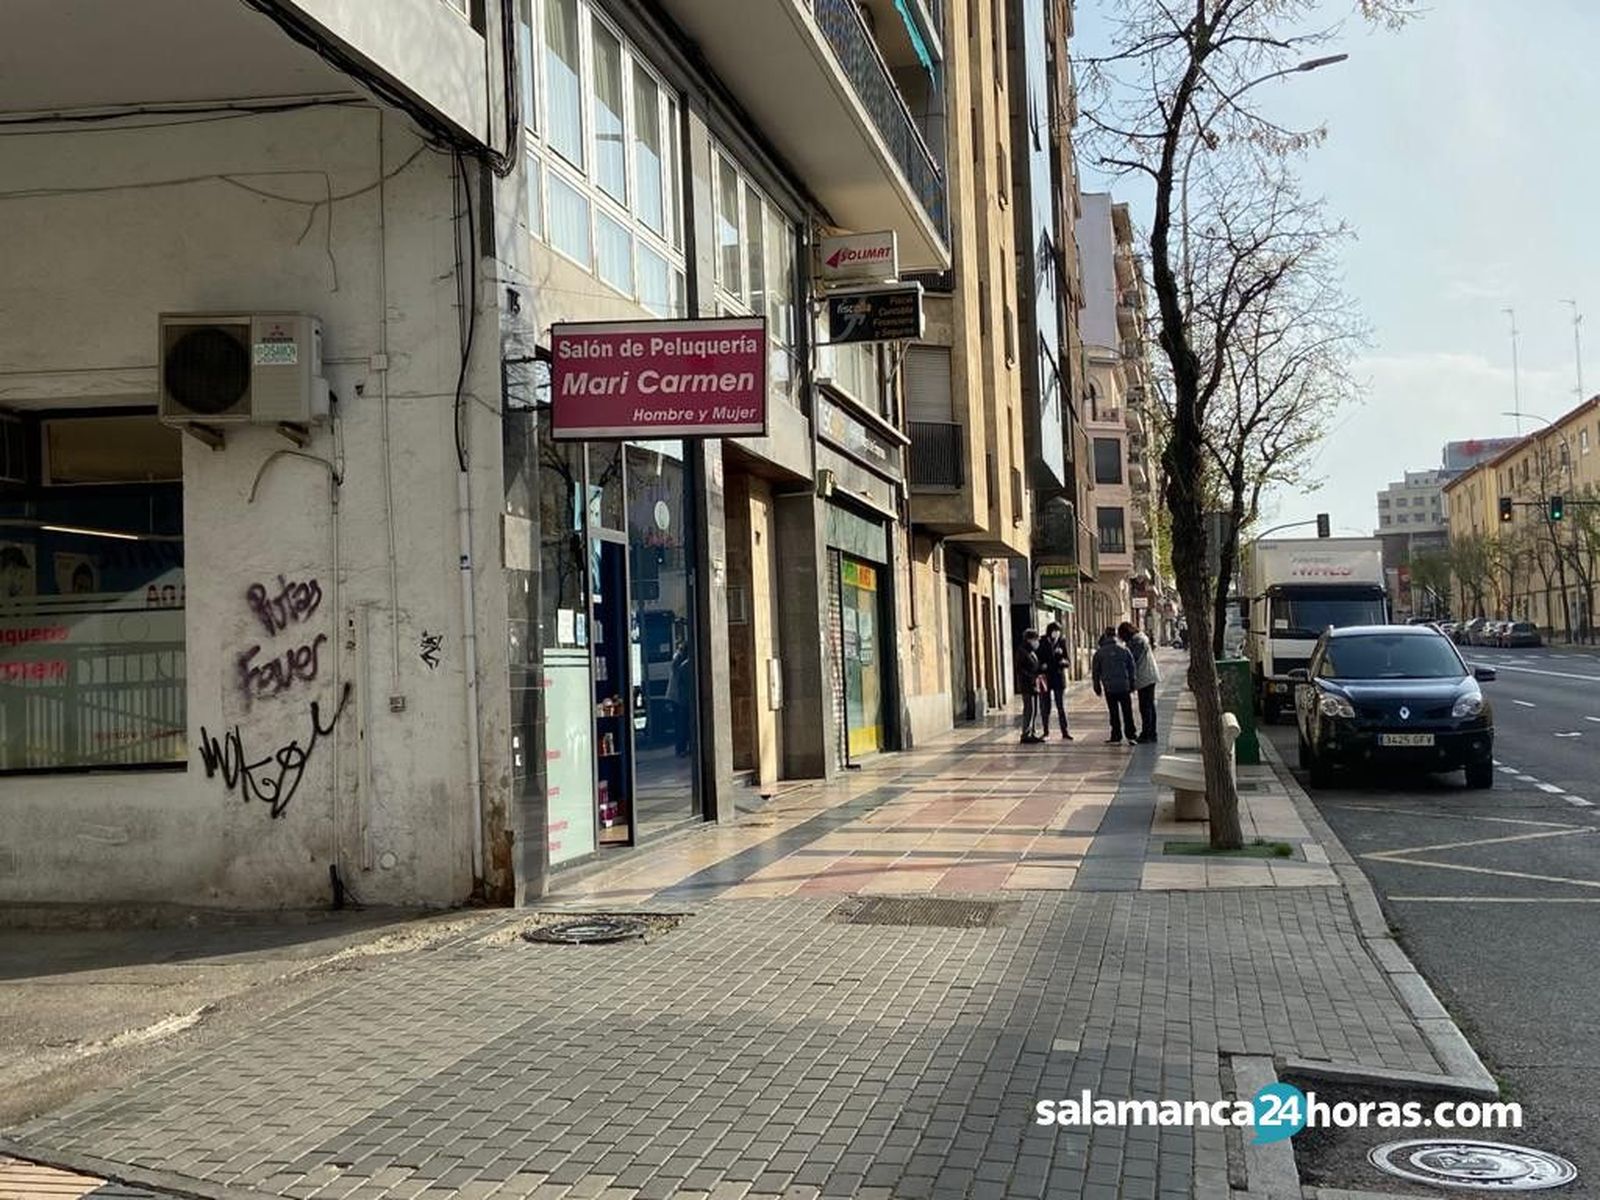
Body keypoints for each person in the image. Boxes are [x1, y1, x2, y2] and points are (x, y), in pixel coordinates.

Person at [1091, 626, 1137, 746]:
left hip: (1109, 687)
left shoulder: (1099, 653)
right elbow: (1132, 667)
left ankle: (1116, 735)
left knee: (1114, 712)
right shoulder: (1124, 649)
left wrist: (1097, 687)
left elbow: (1096, 671)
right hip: (1124, 686)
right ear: (1116, 635)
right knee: (1127, 712)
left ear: (1105, 635)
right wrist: (1132, 683)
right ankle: (1131, 735)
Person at [1120, 619, 1160, 744]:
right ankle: (1151, 733)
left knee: (1146, 706)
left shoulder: (1137, 641)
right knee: (1150, 706)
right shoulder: (1141, 638)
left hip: (1145, 677)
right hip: (1149, 675)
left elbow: (1132, 660)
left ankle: (1146, 734)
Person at [1040, 622, 1073, 740]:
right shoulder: (1042, 641)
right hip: (1046, 677)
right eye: (1054, 631)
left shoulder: (1062, 642)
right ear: (1050, 631)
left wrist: (1064, 662)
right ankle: (1046, 731)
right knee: (1045, 706)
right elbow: (1038, 658)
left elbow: (1068, 660)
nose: (1056, 633)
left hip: (1059, 678)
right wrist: (1042, 666)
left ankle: (1065, 731)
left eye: (1058, 631)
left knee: (1061, 706)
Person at [1015, 629, 1046, 744]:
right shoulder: (1022, 651)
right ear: (1029, 639)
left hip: (1034, 684)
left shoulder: (1031, 651)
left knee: (1034, 710)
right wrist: (1032, 676)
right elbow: (1020, 669)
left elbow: (1034, 666)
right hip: (1026, 685)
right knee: (1029, 709)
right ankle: (1025, 733)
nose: (1037, 642)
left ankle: (1032, 732)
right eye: (1035, 639)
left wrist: (1040, 669)